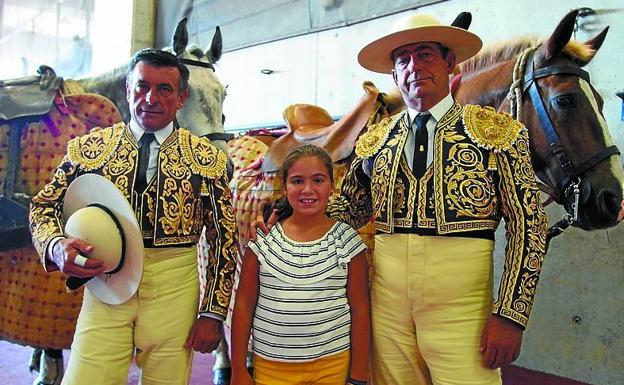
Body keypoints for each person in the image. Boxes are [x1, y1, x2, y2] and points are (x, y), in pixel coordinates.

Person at [253, 14, 548, 385]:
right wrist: (294, 209)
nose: (414, 67)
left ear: (449, 64)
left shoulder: (497, 132)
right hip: (388, 307)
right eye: (403, 60)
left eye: (425, 55)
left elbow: (529, 226)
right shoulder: (375, 139)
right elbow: (351, 208)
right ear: (394, 76)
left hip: (463, 311)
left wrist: (510, 315)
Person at [29, 48, 238, 385]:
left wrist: (212, 312)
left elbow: (225, 240)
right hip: (105, 288)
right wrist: (55, 246)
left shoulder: (205, 159)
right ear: (128, 90)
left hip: (174, 291)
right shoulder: (90, 148)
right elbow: (44, 205)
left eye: (164, 89)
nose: (150, 98)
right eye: (141, 87)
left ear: (182, 97)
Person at [232, 144, 371, 385]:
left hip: (332, 367)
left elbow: (360, 310)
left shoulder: (347, 242)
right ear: (284, 187)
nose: (308, 189)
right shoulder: (262, 242)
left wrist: (358, 376)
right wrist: (238, 369)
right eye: (297, 181)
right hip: (272, 369)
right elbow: (244, 306)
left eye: (318, 180)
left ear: (332, 186)